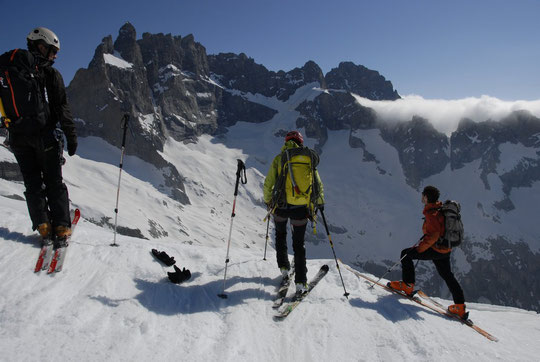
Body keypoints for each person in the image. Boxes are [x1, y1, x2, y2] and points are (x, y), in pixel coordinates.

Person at [3, 27, 77, 246]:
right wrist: (71, 136)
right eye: (53, 51)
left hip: (17, 136)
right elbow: (62, 108)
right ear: (41, 46)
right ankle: (62, 227)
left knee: (32, 182)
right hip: (45, 137)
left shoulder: (8, 70)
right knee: (54, 181)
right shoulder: (50, 74)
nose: (54, 56)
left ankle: (43, 226)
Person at [388, 186, 467, 318]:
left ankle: (407, 285)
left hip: (436, 249)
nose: (422, 197)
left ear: (426, 197)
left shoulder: (432, 213)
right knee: (447, 275)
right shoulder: (438, 209)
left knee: (406, 254)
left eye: (423, 195)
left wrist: (420, 249)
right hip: (445, 249)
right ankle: (459, 306)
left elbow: (434, 235)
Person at [263, 130, 324, 296]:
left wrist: (268, 200)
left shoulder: (280, 158)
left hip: (281, 206)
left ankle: (284, 268)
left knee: (281, 236)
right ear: (301, 142)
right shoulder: (308, 158)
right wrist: (320, 203)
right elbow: (317, 184)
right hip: (301, 208)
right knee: (299, 245)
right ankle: (301, 283)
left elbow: (269, 182)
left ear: (286, 142)